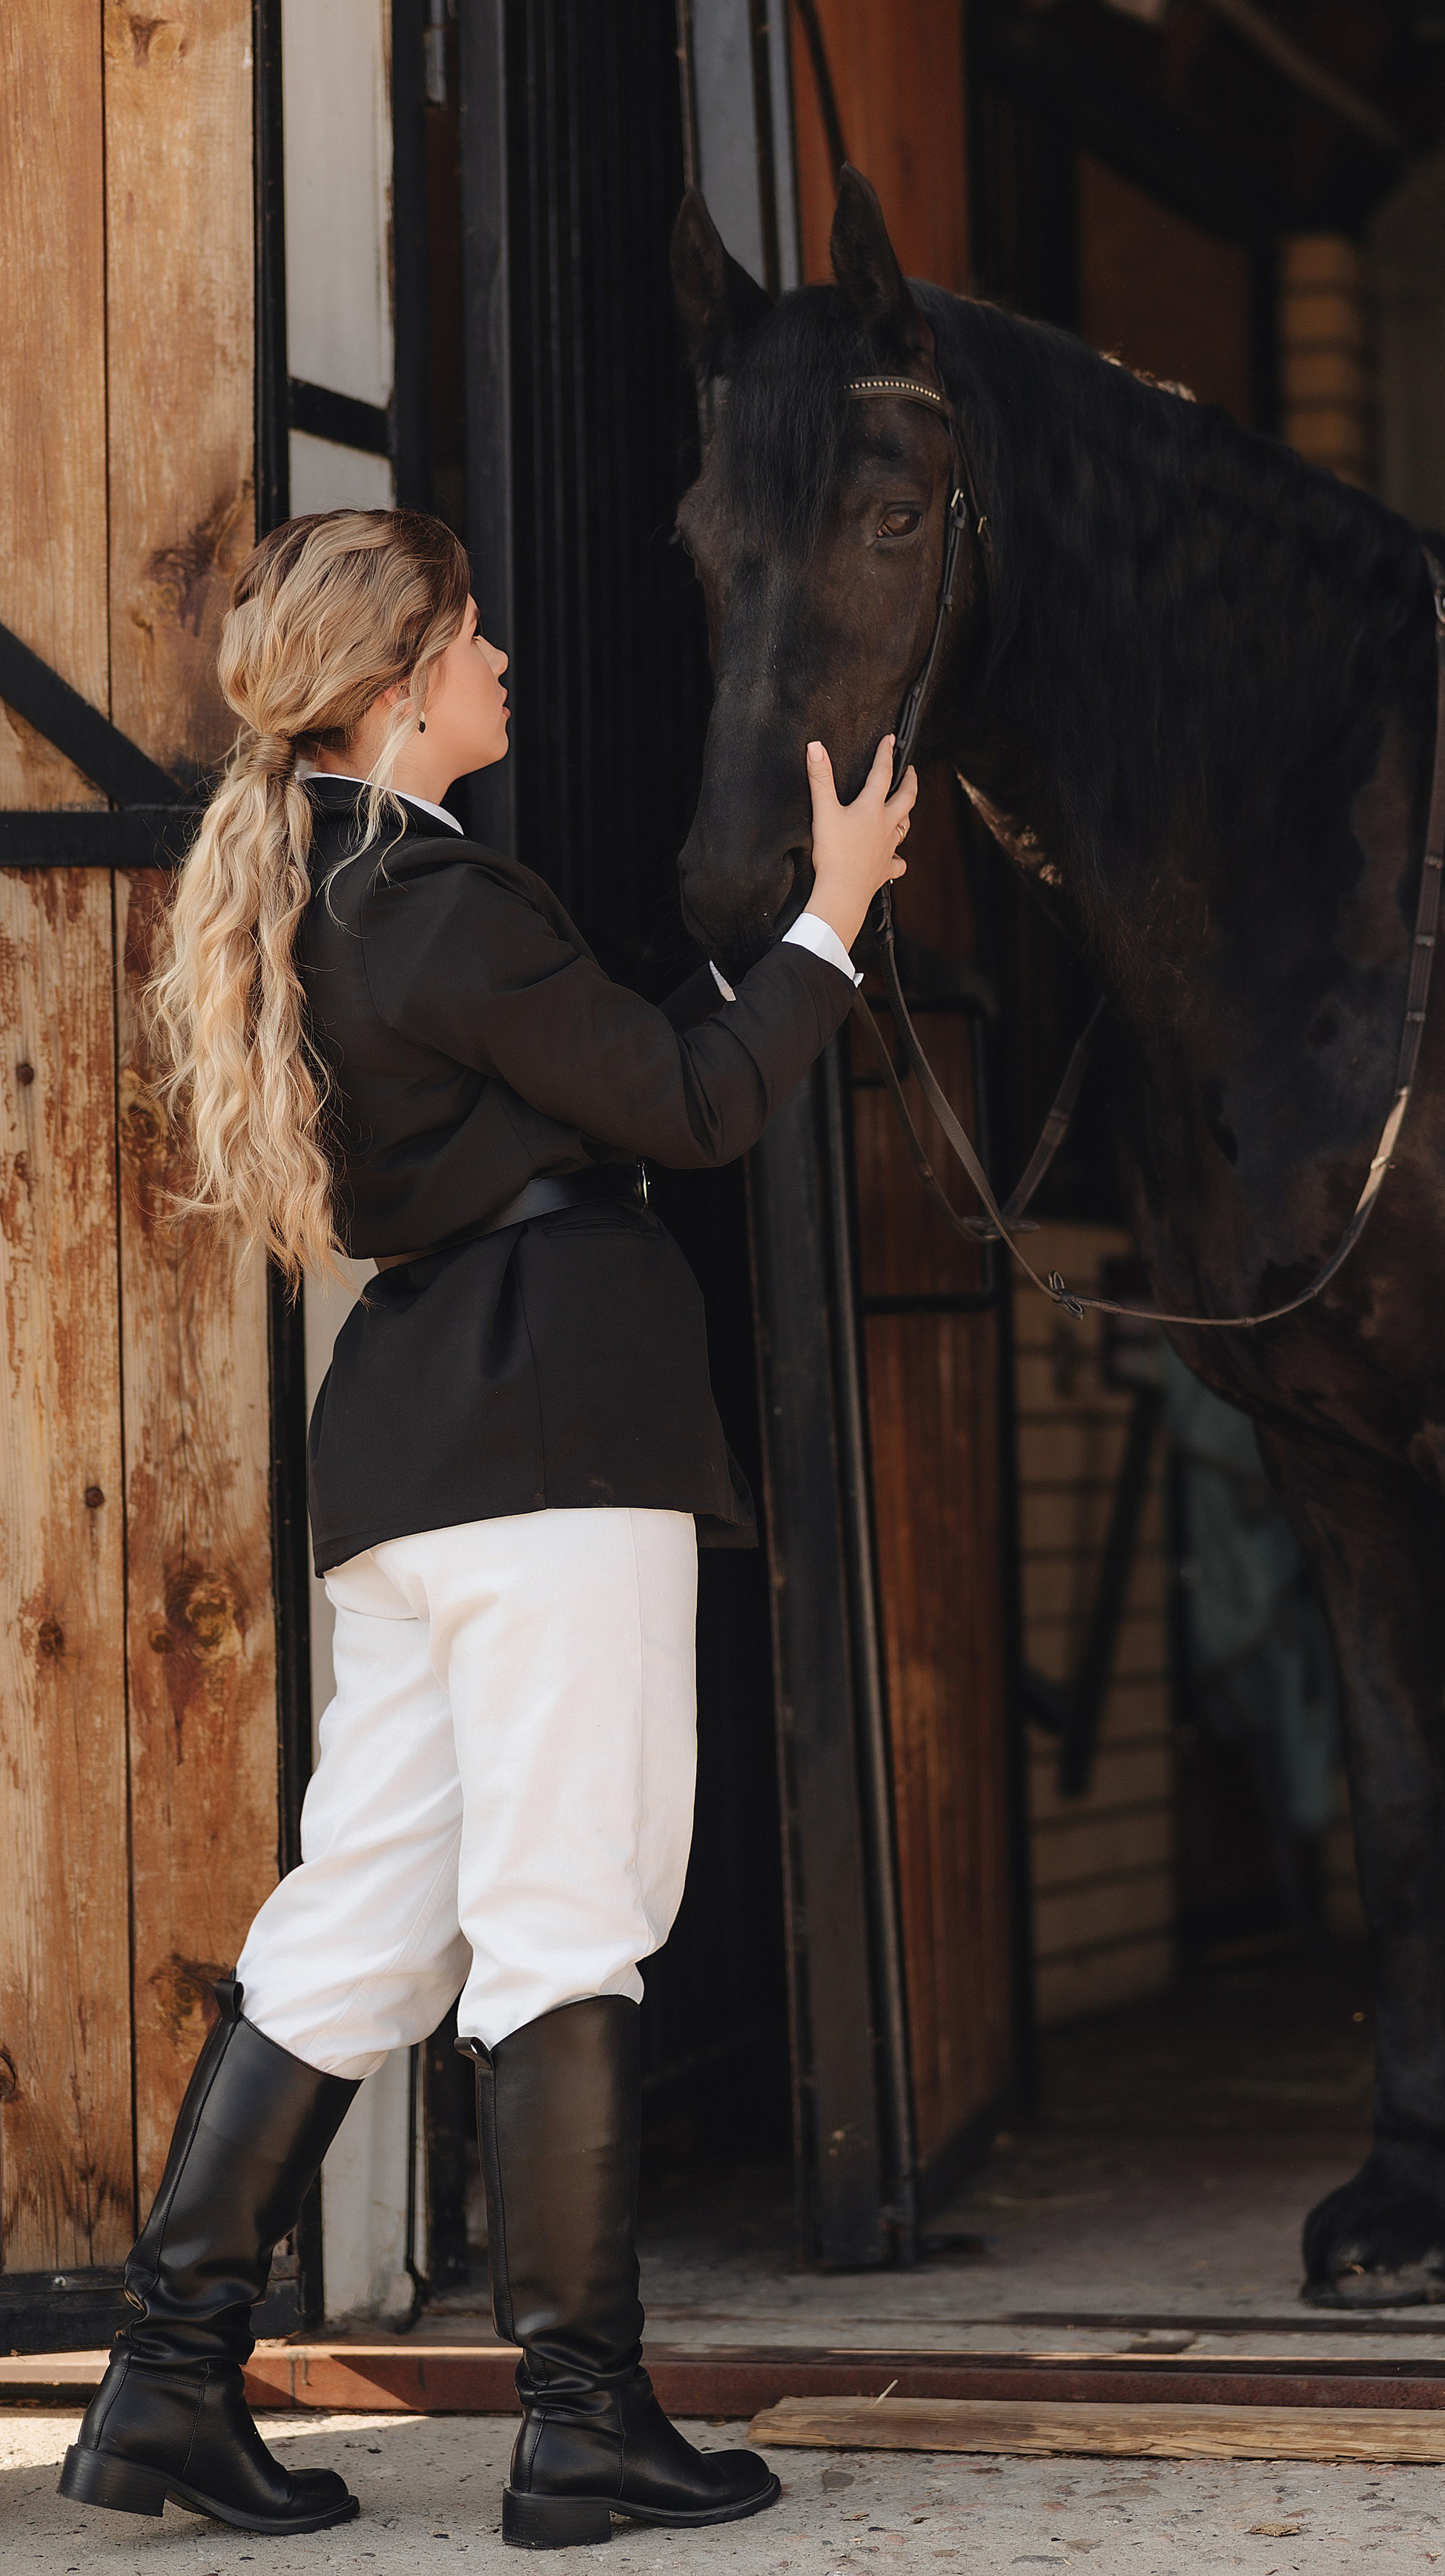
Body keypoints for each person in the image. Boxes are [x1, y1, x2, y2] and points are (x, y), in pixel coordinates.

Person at [59, 508, 916, 2550]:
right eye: (467, 636)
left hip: (428, 1452)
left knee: (361, 1919)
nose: (501, 658)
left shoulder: (338, 900)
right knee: (567, 1917)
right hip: (552, 1441)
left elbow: (601, 1088)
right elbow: (698, 1104)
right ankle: (582, 2421)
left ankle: (166, 2386)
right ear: (393, 687)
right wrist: (838, 916)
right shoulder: (441, 904)